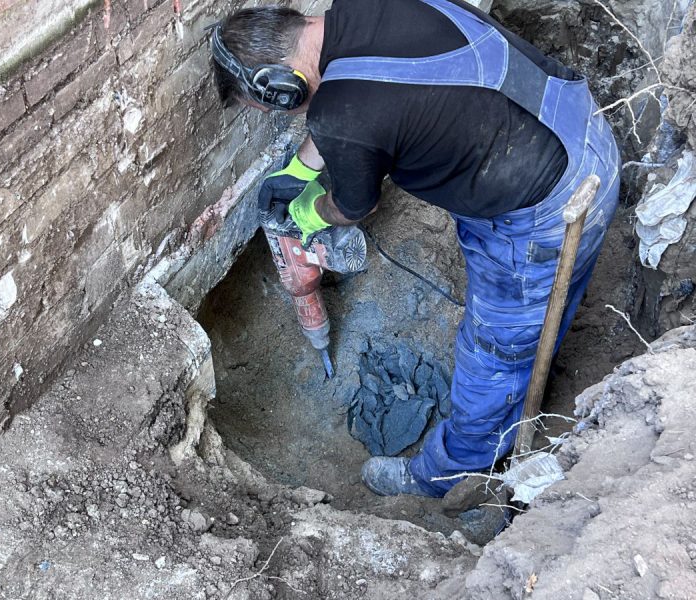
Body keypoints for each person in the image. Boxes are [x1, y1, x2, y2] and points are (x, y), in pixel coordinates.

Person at [208, 0, 620, 497]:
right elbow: (348, 103)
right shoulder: (360, 11)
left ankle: (451, 472)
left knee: (495, 350)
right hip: (577, 125)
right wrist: (300, 168)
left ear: (282, 83)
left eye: (274, 103)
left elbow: (355, 204)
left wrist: (309, 212)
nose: (284, 108)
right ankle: (532, 356)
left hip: (550, 208)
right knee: (538, 315)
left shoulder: (344, 114)